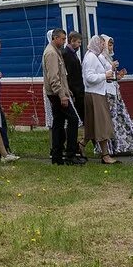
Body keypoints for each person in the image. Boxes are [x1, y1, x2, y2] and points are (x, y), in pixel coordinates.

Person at [79, 34, 118, 165]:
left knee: (92, 125)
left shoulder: (94, 57)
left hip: (97, 93)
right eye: (101, 44)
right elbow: (89, 78)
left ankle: (81, 144)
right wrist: (104, 75)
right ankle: (105, 155)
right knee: (102, 125)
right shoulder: (91, 58)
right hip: (95, 94)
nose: (103, 46)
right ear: (96, 44)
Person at [41, 29, 78, 166]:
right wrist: (62, 95)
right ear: (55, 38)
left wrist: (67, 90)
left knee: (58, 122)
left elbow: (61, 75)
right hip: (56, 94)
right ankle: (70, 154)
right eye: (62, 39)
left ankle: (57, 155)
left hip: (58, 92)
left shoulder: (55, 51)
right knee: (73, 120)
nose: (64, 42)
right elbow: (54, 78)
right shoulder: (51, 53)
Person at [103, 36, 133, 156]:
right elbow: (102, 76)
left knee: (122, 119)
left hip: (115, 93)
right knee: (113, 120)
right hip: (108, 94)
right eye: (109, 45)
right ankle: (114, 147)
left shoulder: (109, 58)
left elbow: (112, 78)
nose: (111, 47)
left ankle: (127, 144)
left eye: (112, 44)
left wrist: (119, 76)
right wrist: (112, 67)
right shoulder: (102, 58)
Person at [62, 31, 87, 163]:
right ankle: (73, 148)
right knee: (75, 121)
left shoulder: (72, 54)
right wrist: (73, 92)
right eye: (78, 42)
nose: (79, 45)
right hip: (75, 92)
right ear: (71, 41)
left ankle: (78, 146)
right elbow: (70, 76)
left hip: (79, 90)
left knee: (81, 120)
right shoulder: (67, 54)